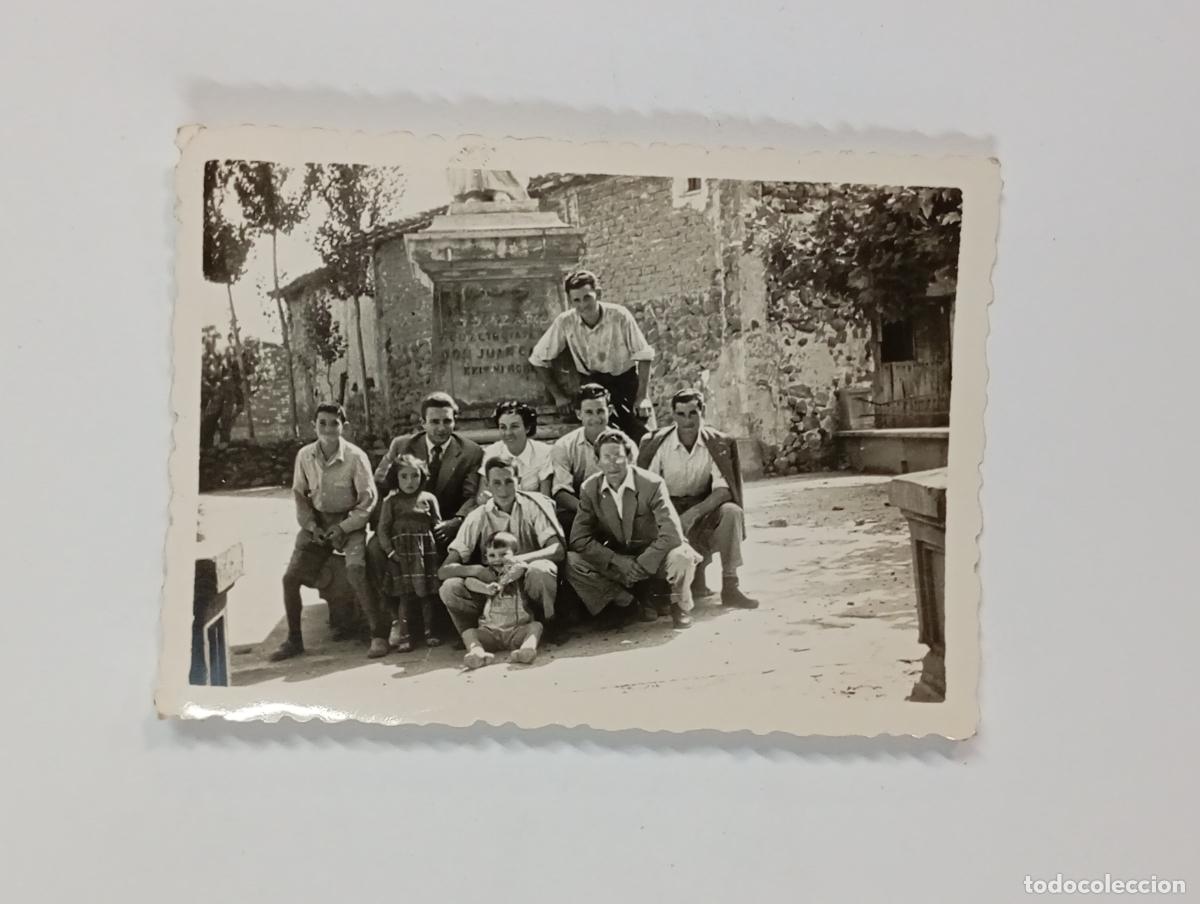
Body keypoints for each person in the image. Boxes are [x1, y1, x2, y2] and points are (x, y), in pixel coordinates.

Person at [367, 392, 484, 642]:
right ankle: (394, 621)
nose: (441, 428)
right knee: (375, 548)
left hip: (444, 525)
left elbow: (472, 496)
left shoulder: (471, 452)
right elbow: (380, 484)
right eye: (434, 422)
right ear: (423, 423)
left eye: (447, 421)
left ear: (455, 421)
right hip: (403, 524)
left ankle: (447, 623)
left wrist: (457, 522)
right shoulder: (402, 445)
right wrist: (385, 527)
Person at [270, 404, 379, 662]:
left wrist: (343, 527)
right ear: (314, 425)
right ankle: (294, 639)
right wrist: (311, 526)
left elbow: (367, 501)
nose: (328, 429)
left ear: (344, 426)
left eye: (334, 423)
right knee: (290, 579)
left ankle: (379, 633)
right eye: (323, 423)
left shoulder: (356, 457)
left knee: (356, 570)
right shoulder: (305, 456)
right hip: (317, 525)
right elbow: (299, 494)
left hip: (349, 523)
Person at [566, 429, 701, 628]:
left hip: (655, 555)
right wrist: (616, 560)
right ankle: (625, 603)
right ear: (597, 462)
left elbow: (672, 534)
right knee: (572, 561)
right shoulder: (589, 488)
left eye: (619, 456)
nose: (613, 463)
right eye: (607, 457)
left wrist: (640, 564)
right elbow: (578, 539)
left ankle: (679, 606)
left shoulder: (652, 484)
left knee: (682, 556)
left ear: (629, 457)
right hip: (619, 560)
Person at [638, 389, 759, 609]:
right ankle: (661, 590)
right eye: (681, 414)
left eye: (693, 413)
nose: (687, 420)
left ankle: (730, 584)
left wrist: (693, 514)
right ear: (673, 415)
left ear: (702, 411)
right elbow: (648, 489)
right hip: (667, 507)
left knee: (732, 512)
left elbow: (723, 490)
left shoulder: (717, 443)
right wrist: (672, 519)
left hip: (703, 509)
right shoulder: (658, 444)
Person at [438, 457, 564, 646]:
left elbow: (557, 549)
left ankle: (547, 626)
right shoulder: (477, 516)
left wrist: (519, 560)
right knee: (449, 587)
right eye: (496, 483)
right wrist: (476, 571)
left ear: (518, 480)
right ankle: (472, 635)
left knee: (541, 570)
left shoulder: (532, 506)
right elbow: (444, 570)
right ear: (487, 485)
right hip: (493, 590)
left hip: (525, 582)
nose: (503, 490)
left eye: (508, 481)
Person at [529, 269, 655, 443]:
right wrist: (558, 395)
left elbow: (644, 355)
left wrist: (642, 398)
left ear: (598, 293)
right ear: (570, 301)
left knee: (646, 437)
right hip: (593, 384)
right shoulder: (565, 322)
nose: (583, 305)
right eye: (576, 300)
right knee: (600, 437)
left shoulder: (619, 315)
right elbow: (538, 359)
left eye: (587, 297)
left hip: (626, 382)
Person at [376, 454, 444, 654]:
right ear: (396, 478)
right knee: (405, 597)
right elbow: (383, 530)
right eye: (404, 476)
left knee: (426, 596)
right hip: (401, 556)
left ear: (422, 476)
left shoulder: (429, 499)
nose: (410, 482)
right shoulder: (391, 502)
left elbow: (437, 525)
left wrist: (437, 551)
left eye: (415, 476)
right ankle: (406, 636)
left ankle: (430, 632)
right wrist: (390, 553)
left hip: (425, 556)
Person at [460, 532, 543, 668]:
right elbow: (469, 582)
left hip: (516, 630)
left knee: (536, 626)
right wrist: (486, 588)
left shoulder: (516, 572)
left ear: (514, 554)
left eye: (503, 554)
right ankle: (477, 653)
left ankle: (526, 649)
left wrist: (503, 582)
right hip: (491, 632)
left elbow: (520, 568)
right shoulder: (487, 574)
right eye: (492, 555)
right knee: (468, 633)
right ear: (485, 558)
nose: (497, 559)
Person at [549, 383, 611, 536]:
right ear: (579, 414)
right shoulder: (564, 445)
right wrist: (590, 512)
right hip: (579, 510)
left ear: (609, 411)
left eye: (600, 411)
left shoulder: (624, 444)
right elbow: (561, 491)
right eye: (589, 412)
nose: (596, 418)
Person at [477, 400, 554, 497]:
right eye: (503, 427)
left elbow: (546, 498)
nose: (508, 433)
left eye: (514, 426)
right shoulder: (492, 452)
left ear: (527, 428)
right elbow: (482, 497)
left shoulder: (543, 452)